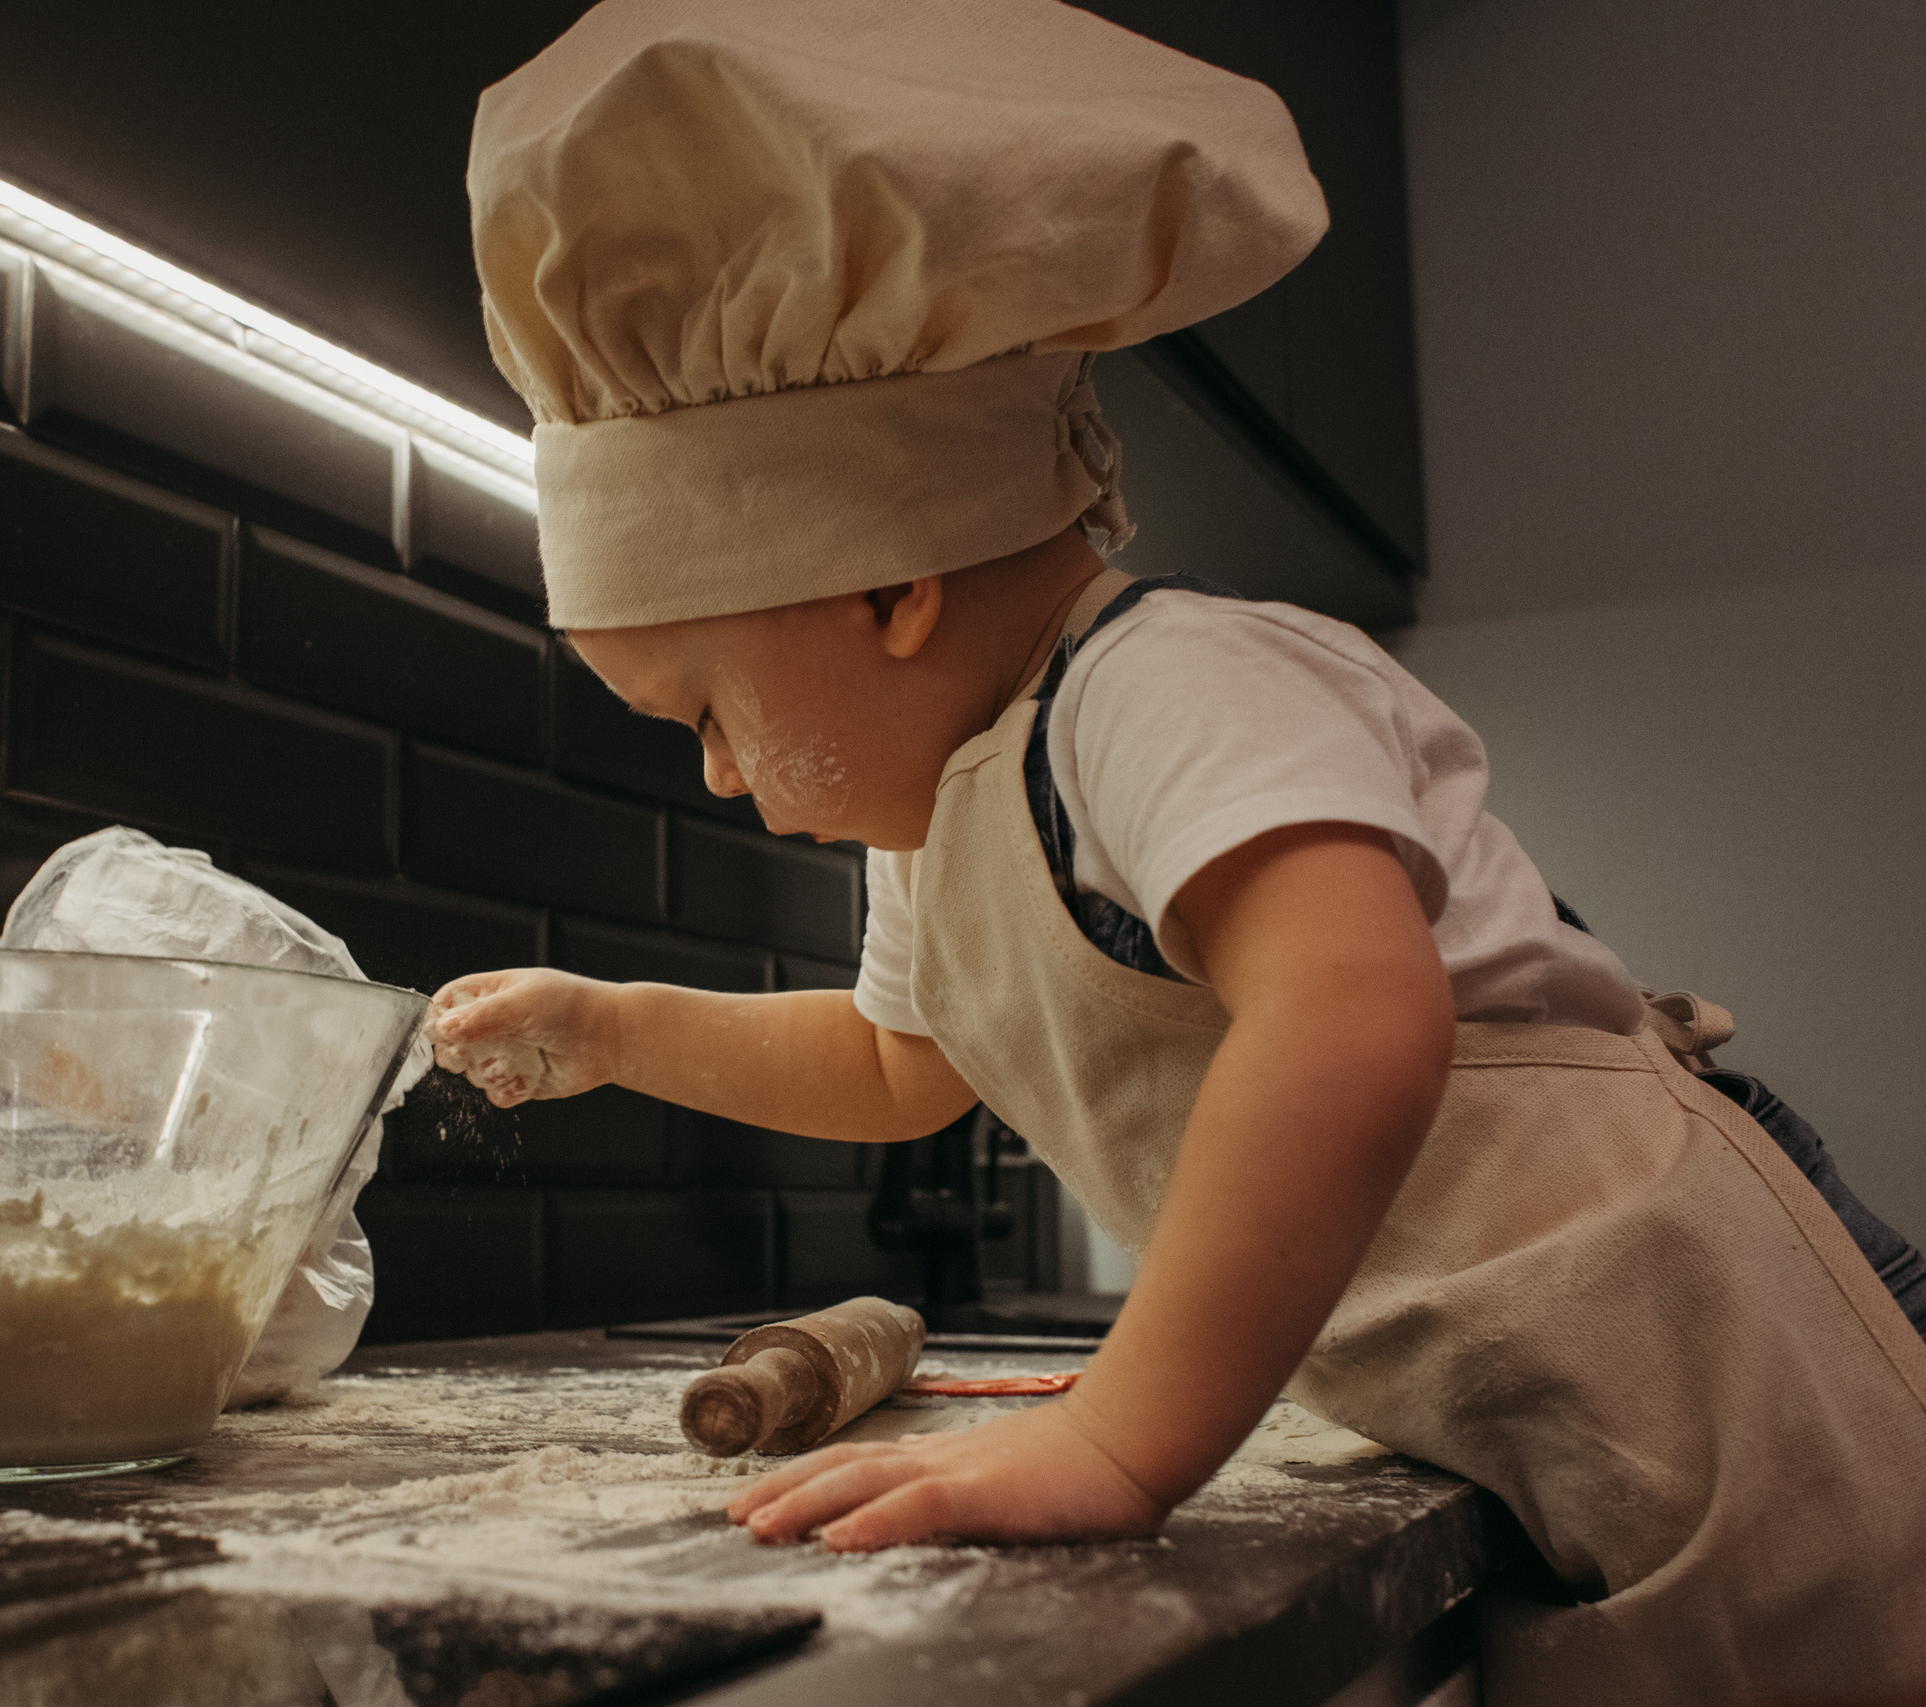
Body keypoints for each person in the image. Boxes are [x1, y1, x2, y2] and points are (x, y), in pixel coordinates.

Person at [429, 3, 1926, 1702]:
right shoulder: (955, 800)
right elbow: (893, 1066)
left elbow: (1353, 1020)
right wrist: (618, 1026)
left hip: (1728, 1391)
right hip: (1563, 1434)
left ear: (886, 589)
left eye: (702, 705)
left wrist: (1122, 1441)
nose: (711, 770)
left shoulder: (1165, 683)